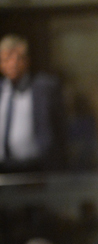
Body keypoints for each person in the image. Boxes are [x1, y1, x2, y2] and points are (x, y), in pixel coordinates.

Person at [0, 35, 66, 173]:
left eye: (17, 59)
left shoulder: (44, 87)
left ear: (27, 61)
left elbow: (60, 128)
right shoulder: (2, 91)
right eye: (7, 59)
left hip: (35, 168)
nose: (12, 64)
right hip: (3, 168)